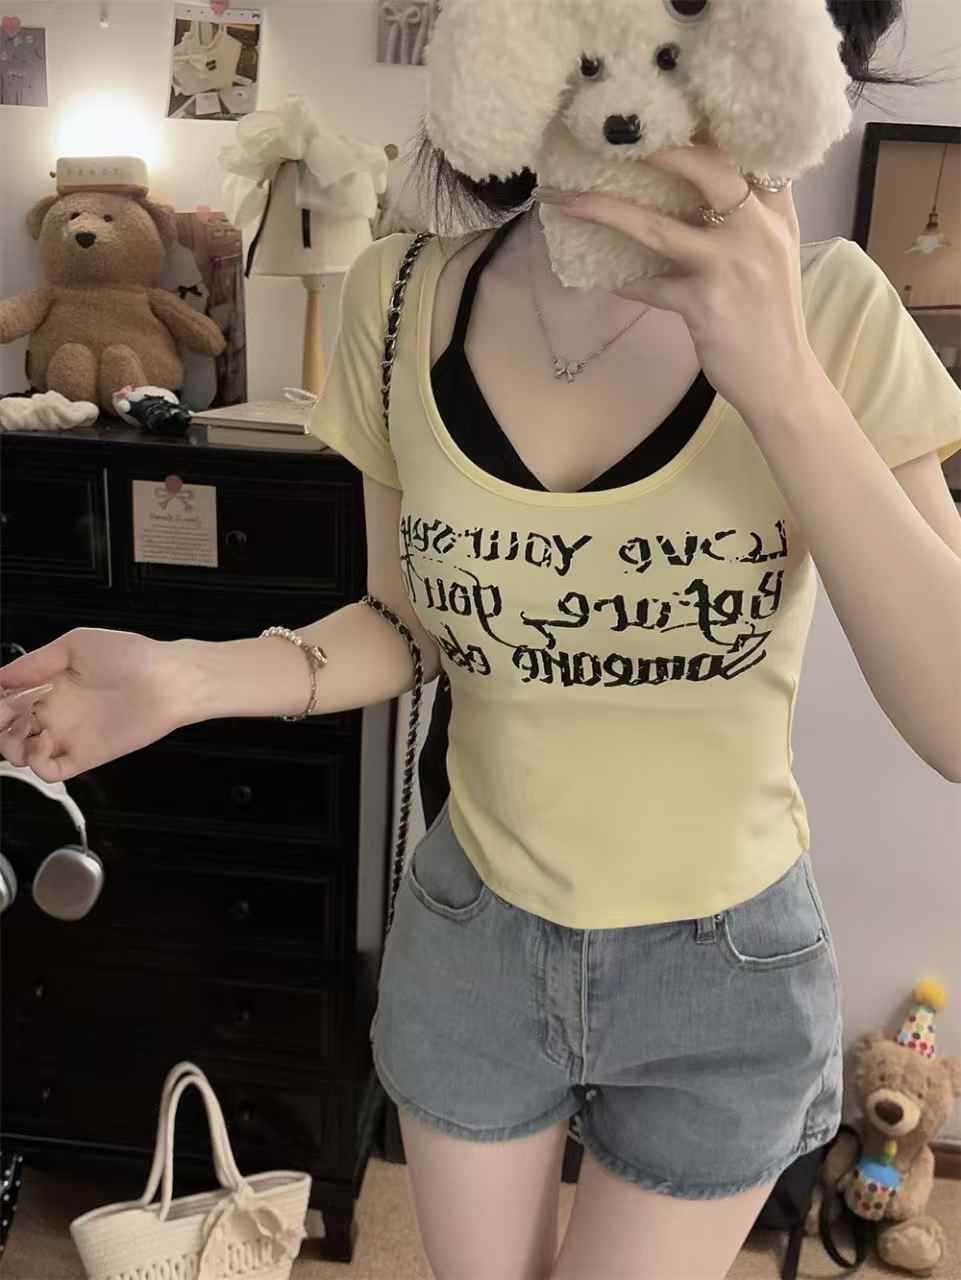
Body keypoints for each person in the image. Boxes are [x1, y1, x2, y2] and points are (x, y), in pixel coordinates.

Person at [3, 4, 960, 1278]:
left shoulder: (832, 308)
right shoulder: (400, 296)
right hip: (476, 931)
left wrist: (779, 378)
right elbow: (401, 620)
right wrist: (184, 675)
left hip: (723, 960)